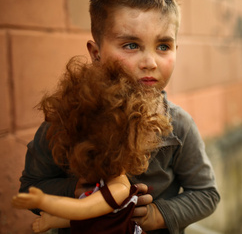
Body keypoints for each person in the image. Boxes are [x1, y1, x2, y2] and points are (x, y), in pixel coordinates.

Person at [19, 0, 220, 234]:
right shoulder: (67, 119)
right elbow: (30, 187)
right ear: (96, 53)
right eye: (131, 45)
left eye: (163, 46)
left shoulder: (179, 126)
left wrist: (158, 215)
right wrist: (73, 191)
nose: (150, 62)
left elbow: (206, 194)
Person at [13, 58, 173, 233]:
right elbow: (87, 215)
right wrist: (52, 220)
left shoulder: (118, 189)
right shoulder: (104, 184)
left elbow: (81, 210)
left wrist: (44, 202)